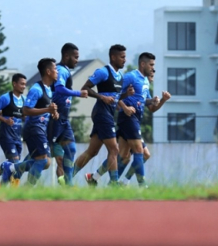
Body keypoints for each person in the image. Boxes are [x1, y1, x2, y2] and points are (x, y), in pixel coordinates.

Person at [72, 44, 131, 185]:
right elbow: (85, 88)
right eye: (122, 57)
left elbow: (114, 98)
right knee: (114, 149)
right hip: (101, 113)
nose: (125, 60)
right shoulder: (103, 72)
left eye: (125, 57)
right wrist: (102, 97)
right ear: (113, 57)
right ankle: (114, 184)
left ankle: (67, 177)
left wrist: (125, 95)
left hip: (108, 114)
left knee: (92, 152)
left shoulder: (120, 77)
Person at [1, 58, 59, 185]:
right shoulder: (36, 89)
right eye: (55, 69)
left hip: (41, 129)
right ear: (48, 71)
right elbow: (26, 110)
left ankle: (11, 168)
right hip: (33, 128)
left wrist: (53, 112)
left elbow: (45, 108)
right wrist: (48, 109)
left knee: (47, 163)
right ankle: (27, 189)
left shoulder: (49, 89)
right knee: (43, 161)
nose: (57, 71)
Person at [117, 53, 170, 187]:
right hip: (127, 118)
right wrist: (125, 107)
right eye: (151, 65)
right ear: (143, 64)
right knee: (140, 152)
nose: (153, 69)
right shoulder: (130, 76)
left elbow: (151, 108)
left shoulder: (146, 81)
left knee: (129, 156)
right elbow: (115, 94)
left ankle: (115, 182)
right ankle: (143, 185)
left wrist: (162, 100)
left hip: (135, 120)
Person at [48, 43, 89, 186]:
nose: (77, 60)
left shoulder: (65, 71)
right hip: (54, 118)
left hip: (63, 120)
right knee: (41, 158)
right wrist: (78, 93)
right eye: (75, 57)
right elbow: (59, 88)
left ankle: (69, 187)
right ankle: (11, 169)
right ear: (66, 56)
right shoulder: (61, 70)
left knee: (71, 150)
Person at [0, 73, 26, 172]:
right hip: (6, 135)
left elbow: (24, 116)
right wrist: (5, 120)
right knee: (14, 161)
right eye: (21, 84)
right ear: (14, 84)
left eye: (24, 84)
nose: (24, 86)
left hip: (17, 136)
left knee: (15, 164)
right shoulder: (5, 98)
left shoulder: (24, 100)